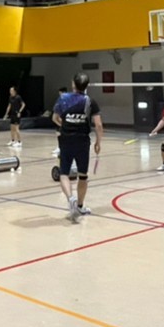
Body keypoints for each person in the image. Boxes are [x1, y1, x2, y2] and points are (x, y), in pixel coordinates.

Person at [51, 74, 103, 222]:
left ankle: (70, 198)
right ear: (87, 85)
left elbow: (54, 118)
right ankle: (79, 206)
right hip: (83, 141)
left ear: (73, 83)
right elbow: (98, 125)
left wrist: (66, 125)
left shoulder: (63, 98)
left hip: (66, 140)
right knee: (83, 175)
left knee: (64, 173)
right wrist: (98, 143)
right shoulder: (90, 102)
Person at [4, 86, 24, 150]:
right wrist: (6, 114)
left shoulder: (18, 97)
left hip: (17, 114)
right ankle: (12, 141)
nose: (10, 91)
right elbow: (9, 106)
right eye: (10, 90)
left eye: (11, 90)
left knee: (16, 128)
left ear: (14, 91)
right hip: (12, 114)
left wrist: (19, 112)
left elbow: (23, 104)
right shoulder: (10, 97)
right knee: (12, 128)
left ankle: (19, 142)